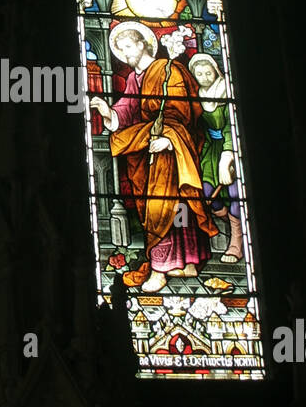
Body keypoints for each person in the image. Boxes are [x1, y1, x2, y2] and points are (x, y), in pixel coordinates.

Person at [90, 20, 218, 290]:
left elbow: (182, 112)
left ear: (143, 43)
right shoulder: (135, 79)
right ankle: (177, 263)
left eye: (127, 46)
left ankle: (169, 267)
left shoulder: (167, 70)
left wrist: (169, 139)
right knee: (157, 208)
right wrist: (107, 113)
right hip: (150, 152)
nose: (124, 54)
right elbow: (126, 109)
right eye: (120, 50)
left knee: (170, 206)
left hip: (172, 150)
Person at [188, 53, 243, 263]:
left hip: (230, 147)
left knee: (235, 192)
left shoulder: (225, 91)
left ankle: (237, 241)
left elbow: (231, 126)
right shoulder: (198, 96)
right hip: (210, 150)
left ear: (216, 71)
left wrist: (228, 156)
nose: (204, 77)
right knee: (207, 191)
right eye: (199, 74)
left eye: (208, 72)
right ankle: (228, 226)